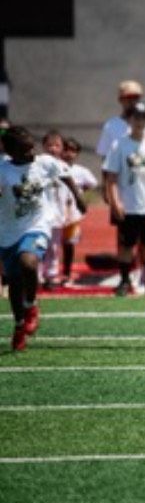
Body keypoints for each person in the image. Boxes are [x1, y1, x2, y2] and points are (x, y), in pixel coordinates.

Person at [0, 126, 88, 349]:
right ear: (12, 152)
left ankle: (31, 306)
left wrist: (77, 197)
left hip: (37, 224)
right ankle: (19, 325)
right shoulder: (3, 170)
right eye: (25, 150)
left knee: (28, 262)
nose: (31, 153)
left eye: (32, 147)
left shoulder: (45, 163)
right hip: (8, 232)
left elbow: (65, 174)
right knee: (14, 284)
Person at [103, 102, 145, 297]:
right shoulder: (119, 144)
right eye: (136, 117)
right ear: (130, 120)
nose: (139, 122)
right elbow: (112, 177)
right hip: (128, 206)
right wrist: (115, 202)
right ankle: (124, 281)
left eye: (143, 118)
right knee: (126, 245)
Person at [57, 137, 98, 286]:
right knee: (51, 246)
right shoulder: (53, 167)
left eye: (72, 151)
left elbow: (93, 183)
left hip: (72, 215)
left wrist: (79, 193)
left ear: (77, 154)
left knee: (68, 244)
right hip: (54, 212)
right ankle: (47, 274)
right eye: (66, 149)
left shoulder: (80, 171)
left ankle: (66, 273)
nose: (68, 153)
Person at [38, 130, 67, 288]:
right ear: (43, 147)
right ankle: (36, 275)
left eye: (57, 145)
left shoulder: (64, 167)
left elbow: (68, 193)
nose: (53, 148)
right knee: (39, 245)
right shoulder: (37, 166)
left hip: (57, 214)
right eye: (49, 145)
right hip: (40, 215)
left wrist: (68, 212)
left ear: (62, 148)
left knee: (54, 248)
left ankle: (51, 275)